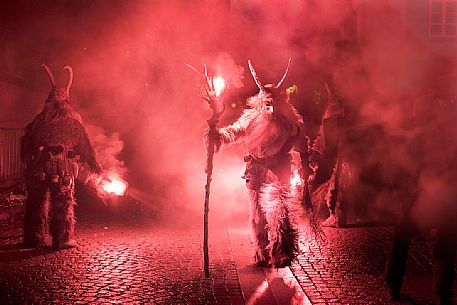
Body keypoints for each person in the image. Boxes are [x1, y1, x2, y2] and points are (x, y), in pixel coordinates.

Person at [211, 59, 315, 268]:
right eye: (267, 103)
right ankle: (260, 250)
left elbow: (301, 141)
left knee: (279, 212)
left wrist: (305, 165)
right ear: (261, 102)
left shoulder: (290, 122)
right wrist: (217, 135)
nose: (271, 108)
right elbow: (235, 131)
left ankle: (280, 251)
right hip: (257, 168)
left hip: (279, 168)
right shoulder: (252, 118)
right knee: (257, 212)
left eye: (274, 103)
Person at [385, 94, 457, 305]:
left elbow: (398, 173)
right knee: (446, 245)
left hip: (422, 201)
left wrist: (403, 198)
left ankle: (393, 286)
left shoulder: (411, 138)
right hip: (444, 201)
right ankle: (444, 291)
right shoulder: (448, 136)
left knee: (401, 240)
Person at [21, 64, 102, 250]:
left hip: (39, 168)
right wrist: (95, 166)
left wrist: (28, 160)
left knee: (36, 201)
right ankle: (61, 239)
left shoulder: (40, 120)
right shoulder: (73, 123)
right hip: (63, 169)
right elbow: (86, 148)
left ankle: (33, 238)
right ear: (67, 100)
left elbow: (27, 142)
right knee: (62, 202)